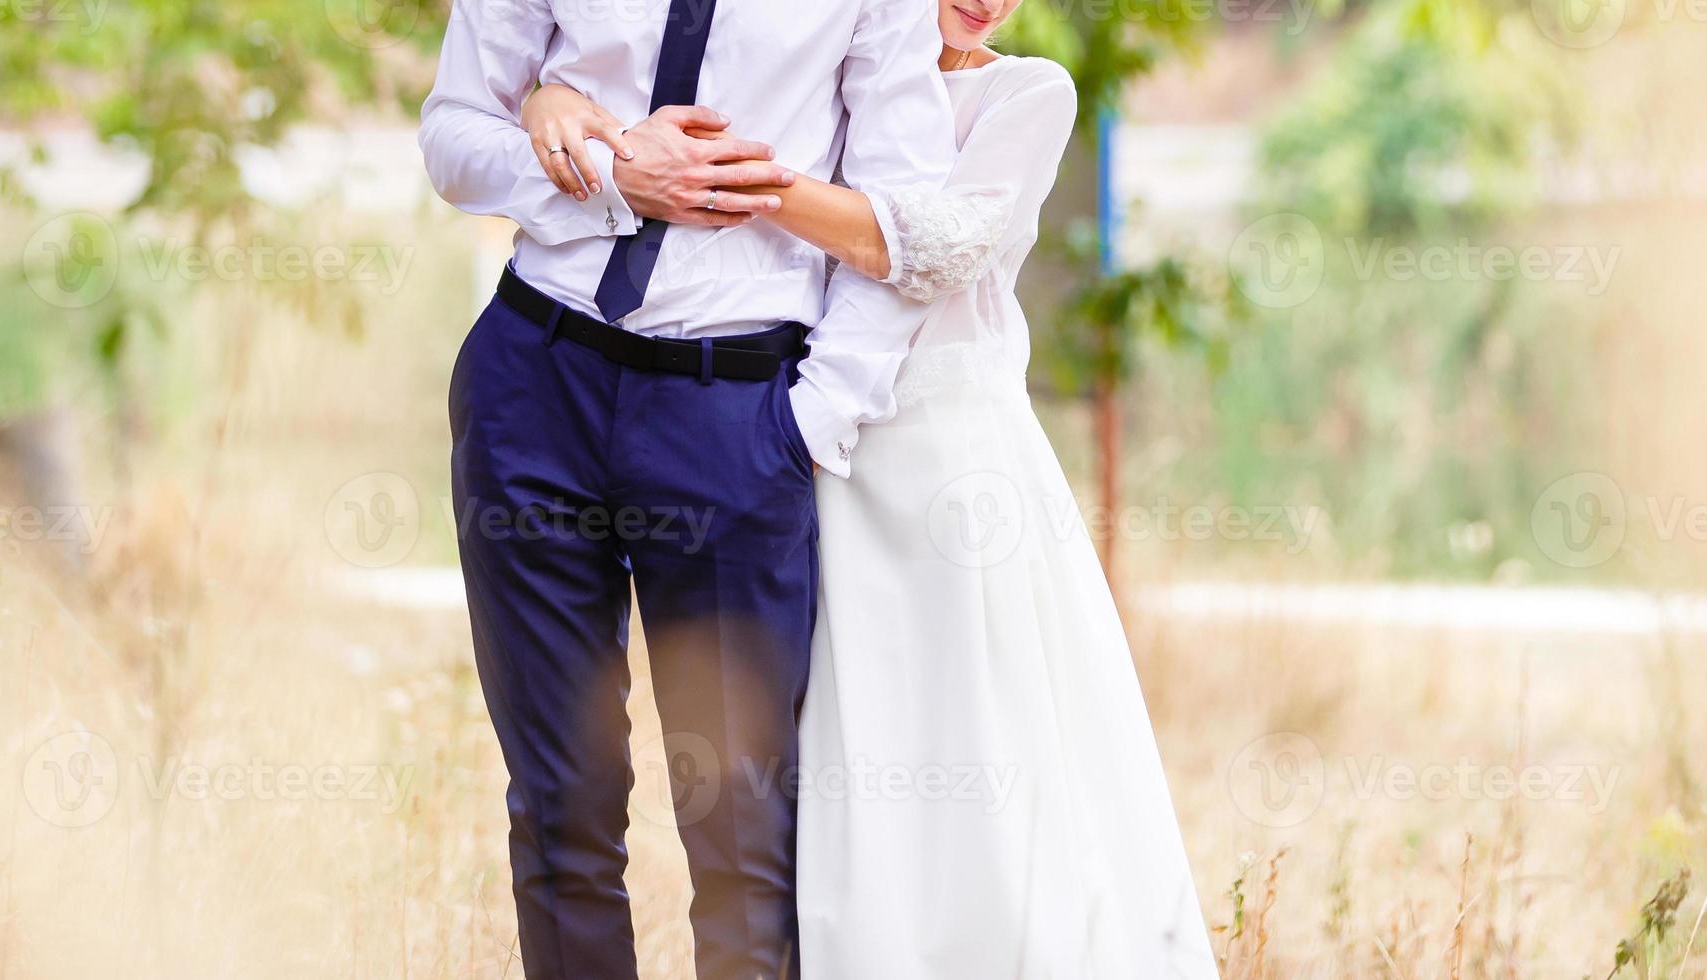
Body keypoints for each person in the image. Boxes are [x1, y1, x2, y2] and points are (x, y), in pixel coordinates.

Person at [515, 0, 1222, 975]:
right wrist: (546, 94)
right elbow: (636, 90)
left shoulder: (1027, 92)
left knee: (976, 744)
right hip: (812, 447)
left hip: (948, 463)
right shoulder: (813, 56)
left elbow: (932, 247)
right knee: (820, 765)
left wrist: (748, 179)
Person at [416, 0, 955, 975]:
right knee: (559, 798)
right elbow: (455, 137)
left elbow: (901, 222)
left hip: (733, 418)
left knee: (742, 826)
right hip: (536, 383)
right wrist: (613, 175)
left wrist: (806, 421)